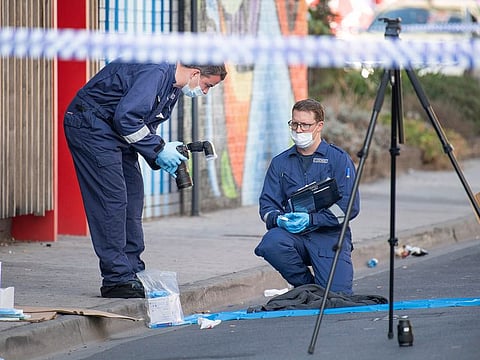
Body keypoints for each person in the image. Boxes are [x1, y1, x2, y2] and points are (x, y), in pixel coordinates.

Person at [64, 60, 227, 298]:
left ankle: (132, 270)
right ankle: (116, 279)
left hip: (113, 131)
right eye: (206, 85)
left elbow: (141, 124)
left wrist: (160, 156)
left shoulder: (172, 88)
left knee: (132, 197)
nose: (203, 92)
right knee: (112, 200)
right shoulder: (156, 72)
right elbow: (127, 119)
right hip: (91, 126)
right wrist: (159, 149)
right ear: (195, 73)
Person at [254, 98, 360, 295]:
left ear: (319, 126)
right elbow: (267, 205)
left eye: (305, 125)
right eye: (294, 124)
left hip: (329, 237)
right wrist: (280, 219)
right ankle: (306, 286)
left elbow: (350, 207)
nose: (299, 129)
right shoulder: (280, 163)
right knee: (271, 243)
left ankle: (321, 288)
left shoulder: (338, 159)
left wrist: (312, 219)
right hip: (294, 235)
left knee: (337, 297)